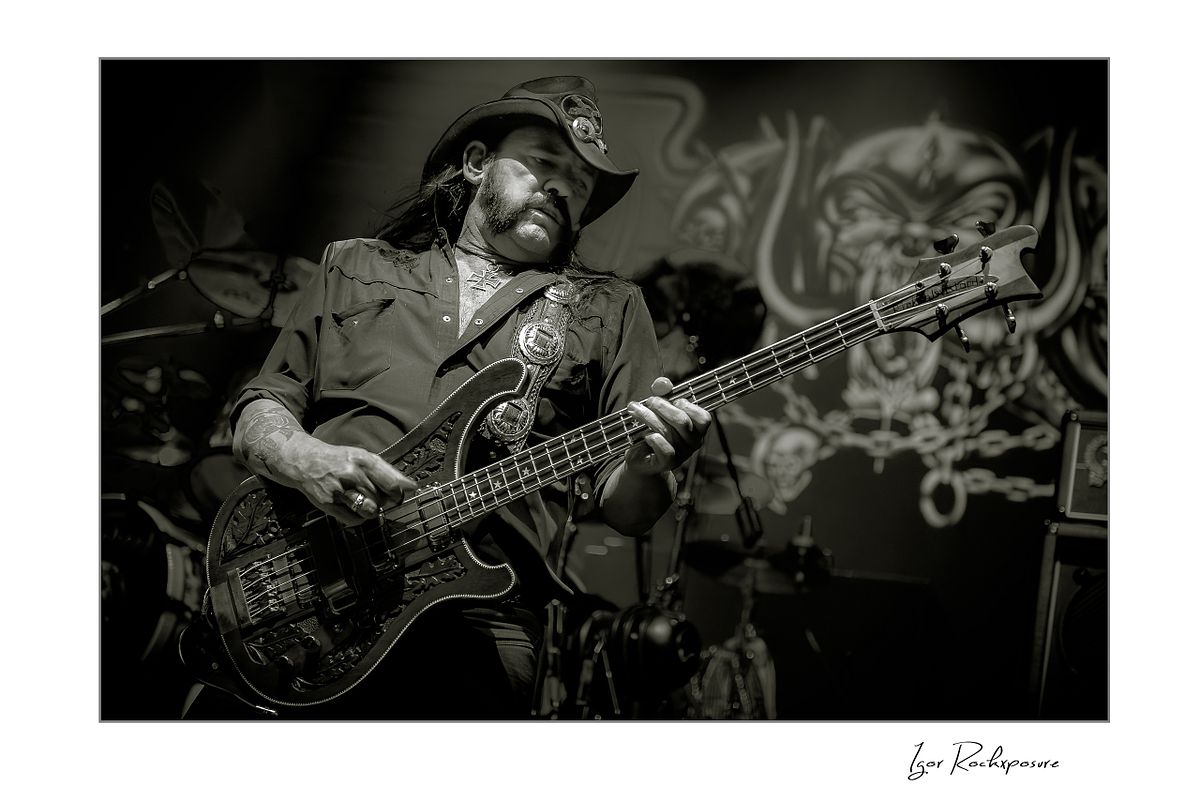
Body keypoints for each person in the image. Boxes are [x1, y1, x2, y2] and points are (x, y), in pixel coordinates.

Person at [194, 76, 711, 720]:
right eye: (544, 164)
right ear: (475, 165)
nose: (560, 189)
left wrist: (648, 463)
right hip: (306, 585)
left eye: (577, 187)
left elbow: (629, 509)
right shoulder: (356, 266)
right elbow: (262, 410)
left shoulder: (607, 308)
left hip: (478, 616)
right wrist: (306, 460)